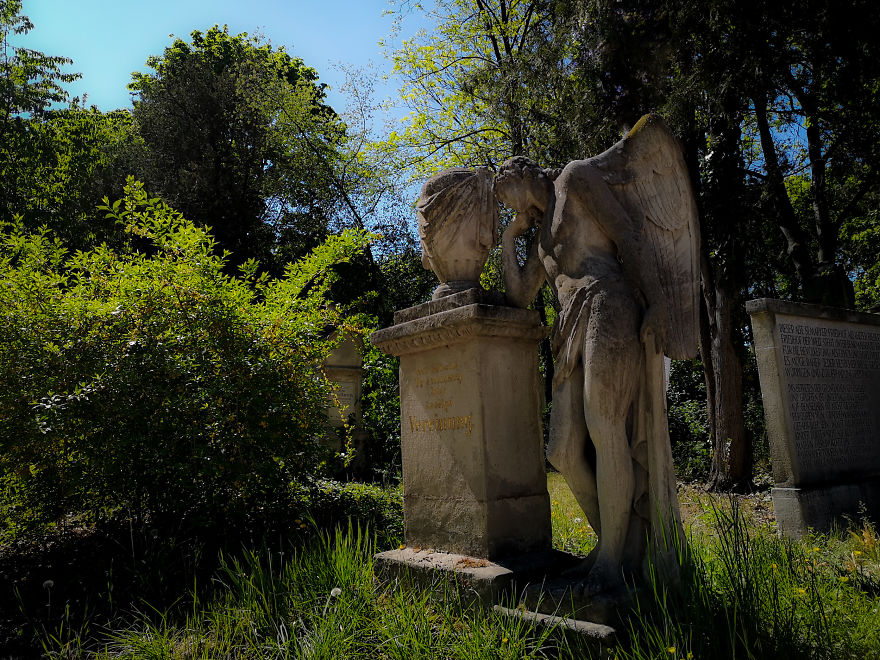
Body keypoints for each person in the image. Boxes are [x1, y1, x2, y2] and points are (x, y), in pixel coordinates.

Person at [495, 115, 698, 593]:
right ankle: (614, 545)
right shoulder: (541, 237)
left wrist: (658, 302)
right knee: (563, 450)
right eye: (506, 205)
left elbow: (628, 236)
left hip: (609, 302)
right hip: (569, 326)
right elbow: (521, 294)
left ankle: (611, 561)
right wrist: (508, 238)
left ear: (526, 174)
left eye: (510, 194)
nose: (512, 206)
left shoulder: (575, 178)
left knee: (604, 425)